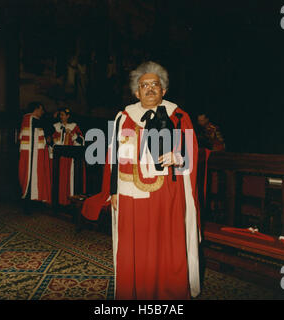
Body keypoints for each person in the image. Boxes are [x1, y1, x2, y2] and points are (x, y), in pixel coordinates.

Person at [107, 61, 201, 299]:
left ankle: (169, 296)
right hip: (130, 193)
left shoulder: (179, 116)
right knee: (134, 247)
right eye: (144, 85)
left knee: (167, 246)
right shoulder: (123, 117)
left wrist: (178, 156)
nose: (149, 89)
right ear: (136, 92)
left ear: (164, 90)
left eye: (155, 85)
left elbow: (192, 153)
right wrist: (113, 191)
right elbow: (114, 156)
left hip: (167, 194)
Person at [18, 102, 52, 214]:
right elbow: (49, 128)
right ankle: (27, 207)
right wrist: (54, 117)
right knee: (29, 178)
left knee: (34, 178)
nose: (42, 112)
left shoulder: (30, 119)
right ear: (36, 109)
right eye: (41, 110)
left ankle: (32, 204)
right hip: (30, 155)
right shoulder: (30, 118)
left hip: (33, 154)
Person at [52, 107, 85, 206]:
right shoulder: (56, 126)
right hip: (60, 157)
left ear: (68, 116)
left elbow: (81, 140)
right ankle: (61, 200)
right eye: (60, 115)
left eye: (63, 115)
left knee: (70, 178)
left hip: (71, 157)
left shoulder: (74, 126)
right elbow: (53, 140)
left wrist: (72, 135)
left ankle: (71, 201)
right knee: (60, 178)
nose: (61, 117)